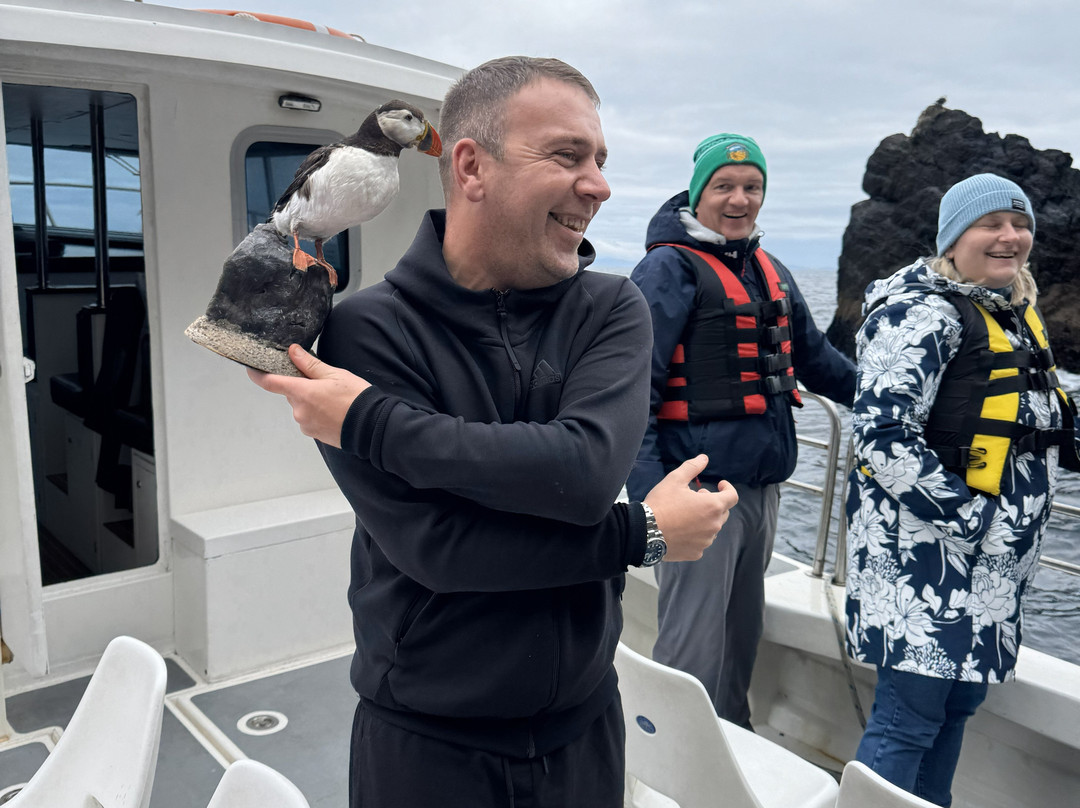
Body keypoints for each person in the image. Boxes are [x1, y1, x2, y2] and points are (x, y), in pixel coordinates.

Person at [249, 57, 739, 808]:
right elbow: (443, 552)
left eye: (601, 160)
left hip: (587, 735)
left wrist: (371, 420)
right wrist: (640, 534)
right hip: (426, 750)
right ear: (472, 167)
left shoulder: (610, 309)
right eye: (569, 155)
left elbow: (581, 475)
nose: (600, 185)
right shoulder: (365, 333)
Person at [844, 173, 1080, 806]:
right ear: (953, 238)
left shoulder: (1013, 310)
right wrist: (971, 518)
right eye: (990, 224)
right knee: (907, 719)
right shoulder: (920, 312)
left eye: (1020, 223)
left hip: (993, 571)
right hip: (927, 564)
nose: (1010, 237)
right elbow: (882, 437)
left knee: (954, 711)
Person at [626, 133, 856, 728]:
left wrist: (899, 399)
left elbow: (819, 360)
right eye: (724, 186)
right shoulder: (667, 268)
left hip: (760, 492)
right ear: (699, 193)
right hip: (695, 494)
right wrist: (654, 499)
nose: (739, 199)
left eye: (752, 187)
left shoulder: (768, 268)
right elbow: (633, 392)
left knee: (742, 636)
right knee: (692, 649)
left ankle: (730, 750)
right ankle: (665, 764)